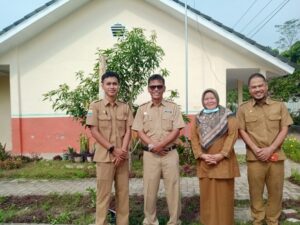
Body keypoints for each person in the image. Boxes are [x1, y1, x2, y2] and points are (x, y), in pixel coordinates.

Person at [237, 73, 293, 225]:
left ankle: (272, 221)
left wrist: (271, 148)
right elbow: (242, 130)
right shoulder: (243, 109)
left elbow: (284, 128)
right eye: (254, 87)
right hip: (255, 158)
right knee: (255, 193)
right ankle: (258, 220)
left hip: (276, 156)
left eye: (260, 85)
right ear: (249, 90)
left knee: (276, 192)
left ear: (266, 86)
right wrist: (255, 149)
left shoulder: (279, 106)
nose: (258, 89)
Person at [132, 74, 185, 225]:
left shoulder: (173, 107)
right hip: (150, 156)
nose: (156, 89)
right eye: (152, 86)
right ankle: (150, 221)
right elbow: (139, 131)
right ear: (148, 89)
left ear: (164, 88)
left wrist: (160, 146)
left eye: (159, 86)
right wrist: (154, 147)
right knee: (149, 189)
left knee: (173, 189)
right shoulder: (142, 109)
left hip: (170, 154)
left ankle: (174, 221)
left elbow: (176, 130)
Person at [86, 71, 133, 225]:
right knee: (103, 195)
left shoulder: (125, 107)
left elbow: (129, 131)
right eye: (108, 83)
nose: (112, 86)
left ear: (118, 86)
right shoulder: (95, 106)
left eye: (114, 83)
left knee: (123, 195)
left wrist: (122, 152)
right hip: (105, 158)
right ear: (103, 86)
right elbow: (94, 131)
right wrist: (113, 149)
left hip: (122, 159)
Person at [190, 88, 240, 225]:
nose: (209, 101)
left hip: (223, 162)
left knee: (224, 198)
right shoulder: (198, 118)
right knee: (207, 197)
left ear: (217, 99)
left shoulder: (228, 115)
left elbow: (232, 135)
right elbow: (193, 138)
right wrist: (201, 155)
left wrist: (222, 154)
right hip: (205, 162)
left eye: (212, 98)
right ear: (203, 101)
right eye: (206, 98)